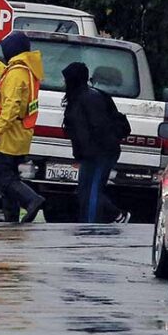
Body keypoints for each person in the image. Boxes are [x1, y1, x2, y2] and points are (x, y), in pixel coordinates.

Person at [0, 31, 45, 224]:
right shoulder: (23, 69)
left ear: (13, 49)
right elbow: (5, 77)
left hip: (8, 137)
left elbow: (11, 106)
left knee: (1, 177)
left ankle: (31, 200)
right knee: (9, 178)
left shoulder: (17, 72)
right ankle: (11, 219)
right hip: (19, 136)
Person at [62, 62, 130, 224]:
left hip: (101, 153)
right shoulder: (80, 97)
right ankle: (92, 221)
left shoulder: (88, 99)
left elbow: (98, 128)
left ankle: (90, 224)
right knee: (85, 191)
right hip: (91, 153)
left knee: (92, 192)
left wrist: (92, 150)